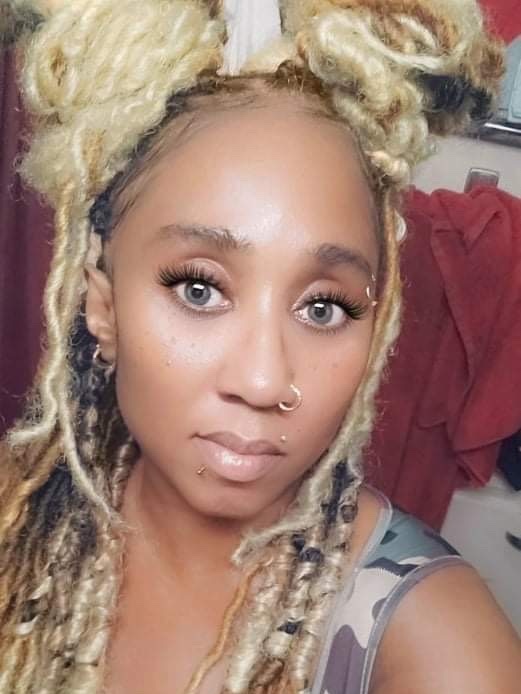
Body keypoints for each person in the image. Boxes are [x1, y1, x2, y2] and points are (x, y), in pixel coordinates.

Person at [1, 1, 520, 692]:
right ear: (103, 305)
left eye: (322, 307)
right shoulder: (18, 523)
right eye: (199, 290)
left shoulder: (440, 646)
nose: (263, 379)